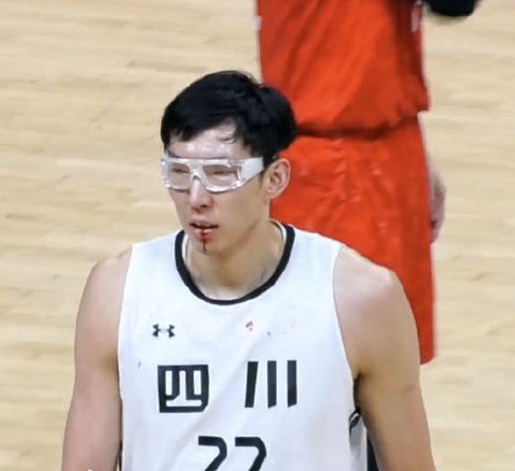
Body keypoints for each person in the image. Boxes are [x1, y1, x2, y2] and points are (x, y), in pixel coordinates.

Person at [60, 70, 437, 471]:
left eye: (221, 175)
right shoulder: (117, 293)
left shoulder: (360, 300)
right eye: (180, 173)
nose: (197, 197)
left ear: (274, 179)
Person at [256, 0, 486, 369]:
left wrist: (415, 149)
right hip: (334, 169)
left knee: (390, 374)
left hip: (383, 139)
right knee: (334, 371)